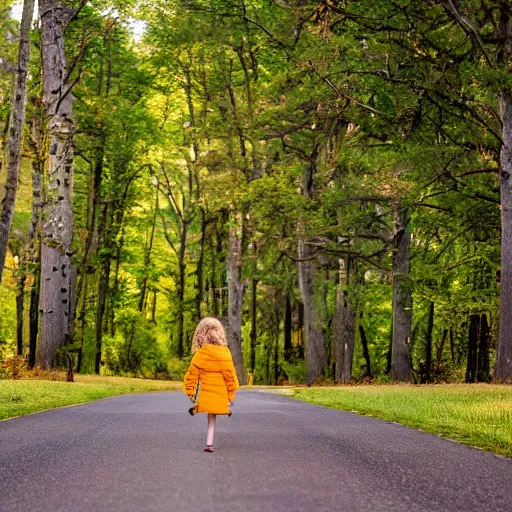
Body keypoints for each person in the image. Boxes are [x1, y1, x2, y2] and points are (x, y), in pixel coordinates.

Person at [183, 317, 239, 453]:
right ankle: (210, 441)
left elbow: (191, 376)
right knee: (213, 415)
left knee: (211, 416)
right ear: (220, 334)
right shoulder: (225, 354)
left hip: (206, 395)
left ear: (200, 335)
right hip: (220, 396)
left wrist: (192, 395)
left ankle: (209, 443)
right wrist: (230, 397)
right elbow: (230, 377)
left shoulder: (200, 355)